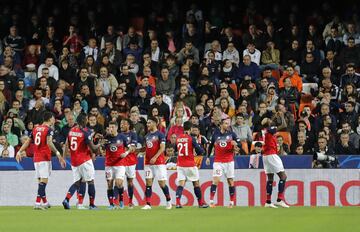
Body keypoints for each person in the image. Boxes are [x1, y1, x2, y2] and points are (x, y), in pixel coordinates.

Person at [16, 111, 66, 210]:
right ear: (50, 118)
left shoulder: (35, 129)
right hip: (44, 158)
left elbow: (27, 142)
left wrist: (19, 151)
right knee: (44, 181)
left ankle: (45, 202)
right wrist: (58, 154)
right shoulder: (49, 129)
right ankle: (37, 203)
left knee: (40, 182)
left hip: (36, 158)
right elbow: (49, 143)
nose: (54, 120)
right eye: (53, 118)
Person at [61, 113, 101, 210]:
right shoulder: (85, 132)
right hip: (84, 160)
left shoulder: (71, 130)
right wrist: (100, 143)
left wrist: (63, 157)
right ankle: (91, 204)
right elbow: (94, 148)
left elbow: (66, 144)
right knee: (90, 181)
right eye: (86, 119)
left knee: (78, 182)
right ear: (83, 120)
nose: (87, 120)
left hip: (74, 161)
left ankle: (68, 199)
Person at [206, 118, 241, 208]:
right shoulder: (215, 134)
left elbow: (240, 144)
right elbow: (210, 146)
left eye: (228, 123)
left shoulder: (232, 134)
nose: (227, 125)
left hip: (229, 161)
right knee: (216, 180)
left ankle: (231, 202)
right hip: (218, 161)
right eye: (225, 123)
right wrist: (208, 157)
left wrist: (236, 144)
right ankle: (211, 201)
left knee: (230, 181)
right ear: (221, 125)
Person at [175, 121, 209, 209]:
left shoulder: (178, 138)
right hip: (190, 164)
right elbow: (200, 151)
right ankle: (200, 203)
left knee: (181, 184)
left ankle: (178, 203)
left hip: (180, 164)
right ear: (190, 129)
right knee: (196, 183)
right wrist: (202, 151)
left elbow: (176, 149)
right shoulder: (191, 138)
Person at [141, 116, 172, 210]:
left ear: (155, 123)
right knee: (148, 182)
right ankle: (148, 204)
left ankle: (168, 201)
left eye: (149, 123)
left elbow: (162, 148)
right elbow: (146, 148)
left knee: (162, 183)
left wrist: (155, 157)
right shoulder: (146, 136)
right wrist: (137, 151)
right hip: (148, 163)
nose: (147, 124)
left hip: (159, 163)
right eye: (147, 123)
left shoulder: (160, 134)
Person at [104, 121, 134, 210]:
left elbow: (131, 148)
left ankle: (121, 201)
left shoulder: (122, 137)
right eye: (110, 127)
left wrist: (126, 153)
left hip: (120, 164)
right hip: (109, 164)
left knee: (118, 183)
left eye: (113, 127)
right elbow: (103, 150)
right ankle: (111, 204)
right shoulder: (106, 138)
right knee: (109, 184)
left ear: (116, 128)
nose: (111, 129)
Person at [261, 118, 289, 208]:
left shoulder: (266, 131)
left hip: (266, 156)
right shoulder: (269, 130)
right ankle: (279, 199)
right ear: (268, 123)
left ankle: (268, 201)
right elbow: (282, 126)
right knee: (283, 176)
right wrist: (279, 117)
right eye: (269, 120)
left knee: (270, 178)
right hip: (271, 155)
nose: (271, 121)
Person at [119, 118, 138, 209]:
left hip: (131, 162)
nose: (122, 125)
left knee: (130, 182)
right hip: (121, 162)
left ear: (128, 125)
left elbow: (133, 148)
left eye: (124, 123)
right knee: (119, 182)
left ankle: (130, 202)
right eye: (121, 123)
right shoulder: (118, 135)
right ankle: (120, 201)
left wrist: (126, 151)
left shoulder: (133, 134)